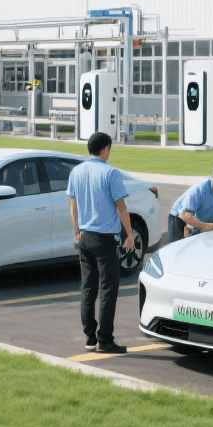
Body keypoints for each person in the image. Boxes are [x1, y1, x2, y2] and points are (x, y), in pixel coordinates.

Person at [66, 131, 135, 354]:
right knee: (108, 289)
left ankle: (90, 338)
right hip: (105, 239)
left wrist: (77, 231)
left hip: (84, 236)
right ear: (105, 149)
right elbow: (121, 207)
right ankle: (105, 339)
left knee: (88, 288)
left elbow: (73, 206)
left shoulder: (76, 171)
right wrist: (130, 235)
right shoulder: (111, 173)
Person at [168, 160, 213, 243]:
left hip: (204, 221)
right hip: (179, 217)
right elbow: (185, 215)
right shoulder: (200, 189)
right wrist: (207, 226)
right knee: (178, 246)